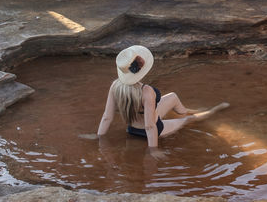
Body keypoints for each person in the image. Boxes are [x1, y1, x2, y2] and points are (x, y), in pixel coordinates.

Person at [93, 45, 227, 149]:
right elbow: (150, 126)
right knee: (188, 120)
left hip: (131, 128)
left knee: (173, 96)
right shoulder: (147, 91)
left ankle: (186, 110)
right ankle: (213, 110)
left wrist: (99, 138)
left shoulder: (115, 86)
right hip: (153, 130)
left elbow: (107, 116)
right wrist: (153, 150)